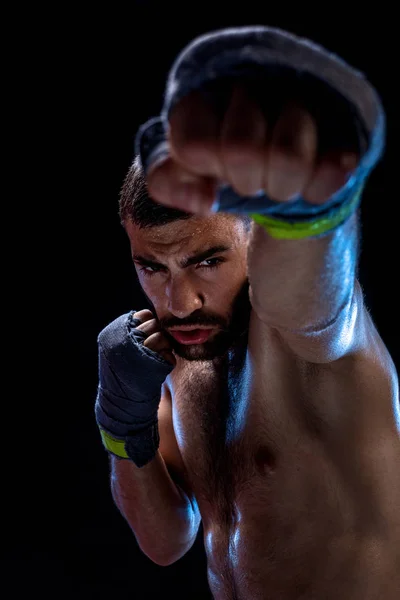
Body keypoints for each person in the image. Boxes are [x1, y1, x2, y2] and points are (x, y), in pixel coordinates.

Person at [94, 26, 400, 599]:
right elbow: (166, 541)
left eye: (207, 260)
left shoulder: (309, 340)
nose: (178, 302)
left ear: (257, 237)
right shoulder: (179, 356)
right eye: (152, 268)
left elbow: (309, 301)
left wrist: (310, 209)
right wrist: (119, 424)